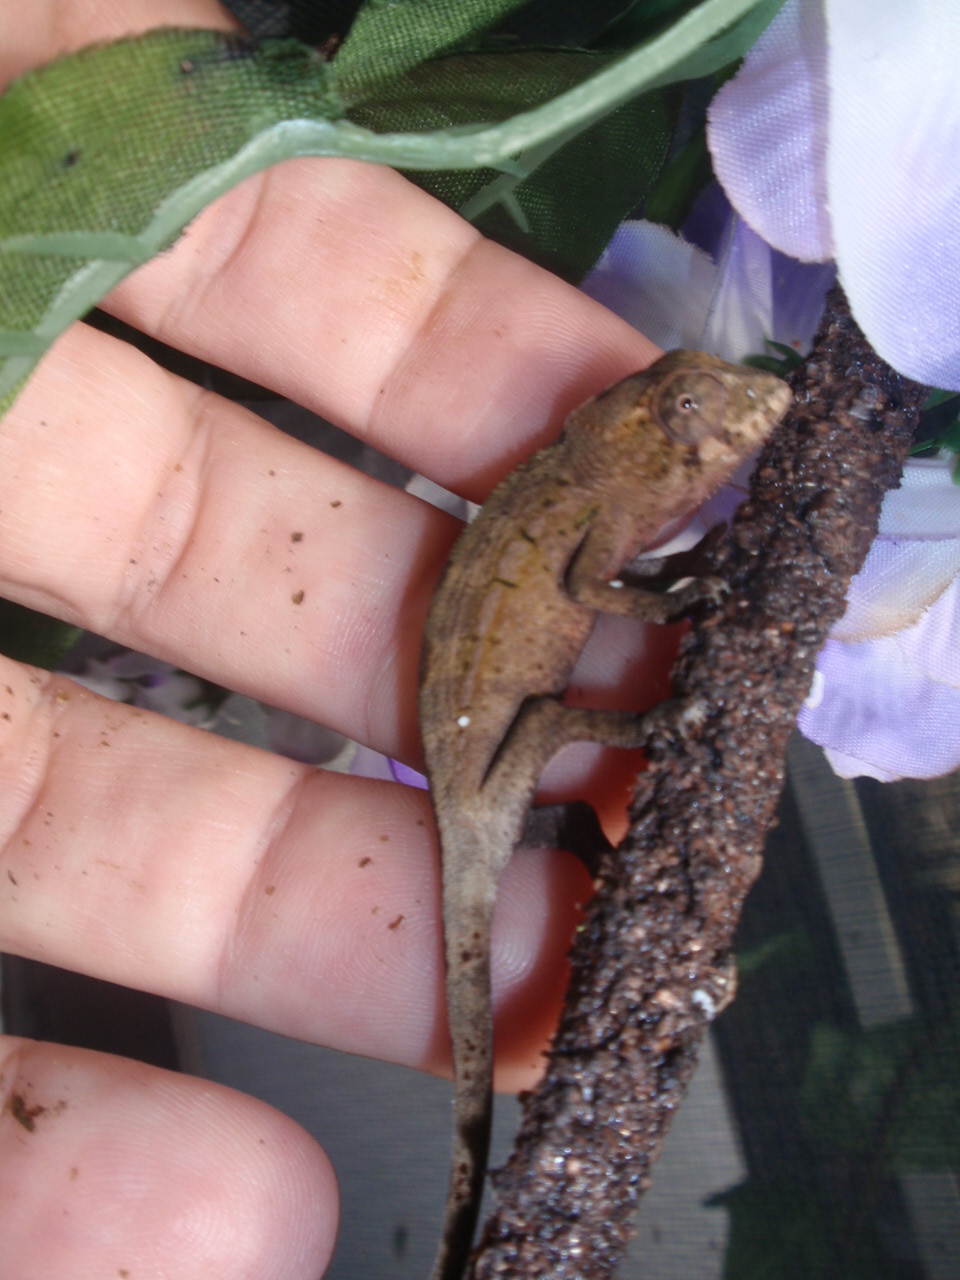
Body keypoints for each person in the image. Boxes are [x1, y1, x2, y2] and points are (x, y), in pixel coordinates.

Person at [0, 5, 678, 1276]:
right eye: (685, 425)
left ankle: (474, 1180)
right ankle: (471, 1181)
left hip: (485, 720)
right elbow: (594, 595)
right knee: (490, 933)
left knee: (488, 952)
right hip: (489, 726)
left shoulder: (587, 485)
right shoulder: (585, 492)